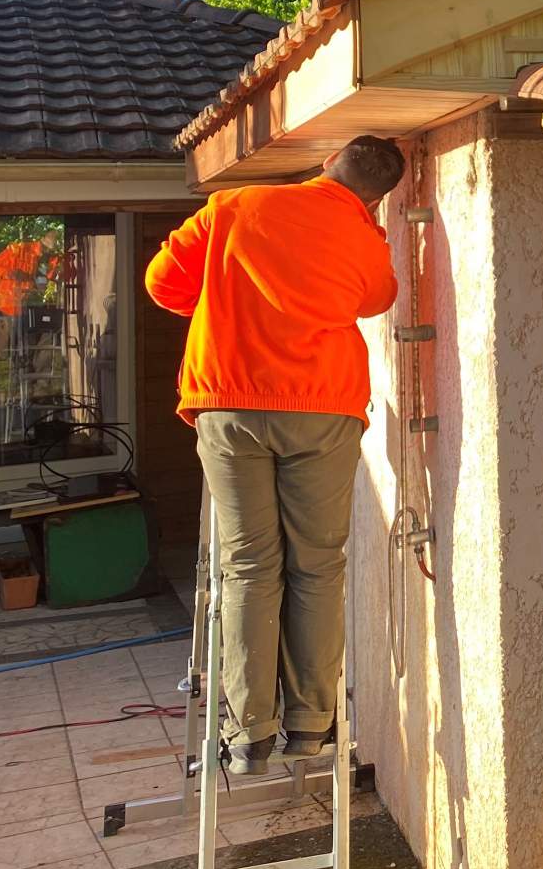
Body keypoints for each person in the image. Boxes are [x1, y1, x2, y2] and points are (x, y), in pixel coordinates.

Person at [146, 136, 405, 774]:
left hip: (231, 404)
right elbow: (376, 299)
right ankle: (310, 725)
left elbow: (162, 283)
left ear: (327, 165)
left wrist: (217, 298)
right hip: (322, 409)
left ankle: (248, 734)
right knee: (316, 565)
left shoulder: (234, 206)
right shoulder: (364, 237)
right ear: (378, 198)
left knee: (248, 566)